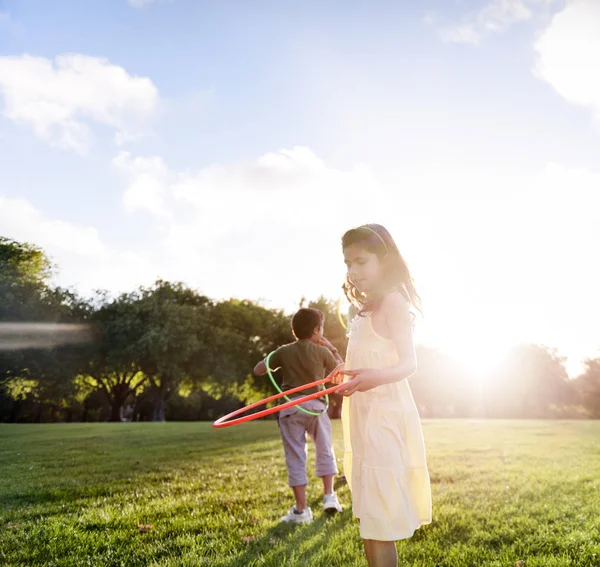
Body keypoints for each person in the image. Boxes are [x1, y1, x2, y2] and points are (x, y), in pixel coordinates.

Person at [334, 224, 432, 567]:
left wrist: (372, 377)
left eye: (361, 261)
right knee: (369, 516)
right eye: (348, 263)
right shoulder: (358, 310)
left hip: (385, 415)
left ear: (384, 260)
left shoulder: (393, 301)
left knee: (382, 518)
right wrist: (342, 371)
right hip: (363, 415)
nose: (353, 271)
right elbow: (363, 357)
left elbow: (409, 364)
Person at [253, 307, 344, 524]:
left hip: (290, 408)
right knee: (325, 449)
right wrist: (331, 347)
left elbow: (258, 370)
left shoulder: (284, 351)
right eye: (321, 328)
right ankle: (329, 496)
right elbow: (342, 371)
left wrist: (273, 357)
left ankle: (301, 510)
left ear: (294, 331)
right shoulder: (322, 352)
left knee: (295, 456)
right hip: (316, 406)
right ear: (316, 330)